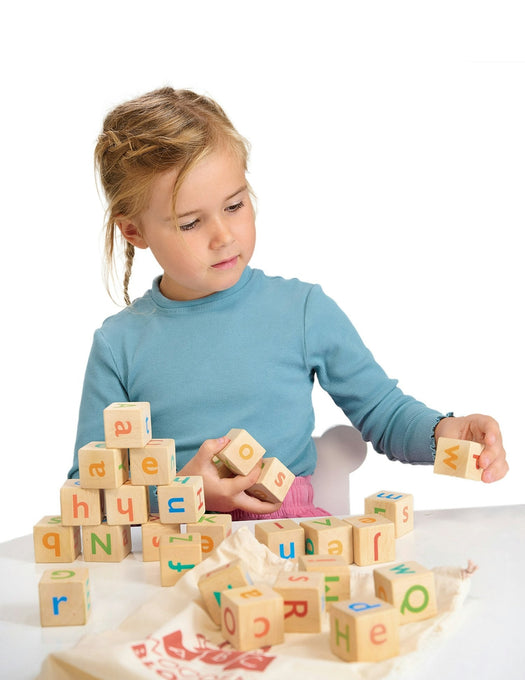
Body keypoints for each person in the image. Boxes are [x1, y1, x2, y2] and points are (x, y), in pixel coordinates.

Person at [69, 87, 508, 519]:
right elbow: (88, 490)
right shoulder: (118, 345)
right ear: (134, 232)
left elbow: (383, 413)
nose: (223, 235)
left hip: (293, 542)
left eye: (235, 205)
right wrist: (182, 492)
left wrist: (444, 433)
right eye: (190, 223)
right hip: (172, 549)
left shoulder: (301, 310)